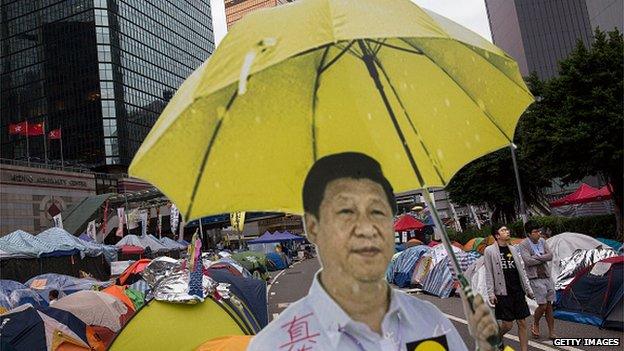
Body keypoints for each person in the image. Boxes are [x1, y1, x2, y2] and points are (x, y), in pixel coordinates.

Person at [248, 152, 498, 351]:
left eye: (377, 211)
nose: (367, 229)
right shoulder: (275, 344)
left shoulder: (430, 321)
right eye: (346, 212)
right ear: (313, 227)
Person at [484, 225, 534, 351]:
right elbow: (489, 272)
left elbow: (521, 271)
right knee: (507, 325)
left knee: (522, 322)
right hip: (502, 292)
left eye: (507, 230)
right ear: (497, 235)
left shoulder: (513, 249)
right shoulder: (489, 251)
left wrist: (527, 289)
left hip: (517, 290)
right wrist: (491, 293)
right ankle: (497, 337)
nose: (507, 232)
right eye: (503, 230)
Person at [519, 222, 556, 340]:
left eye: (538, 231)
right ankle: (535, 323)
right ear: (529, 234)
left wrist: (536, 257)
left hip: (546, 276)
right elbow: (527, 261)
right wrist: (542, 257)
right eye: (535, 232)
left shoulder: (542, 242)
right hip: (535, 278)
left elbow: (550, 256)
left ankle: (551, 332)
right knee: (543, 305)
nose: (538, 234)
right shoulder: (524, 244)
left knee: (549, 305)